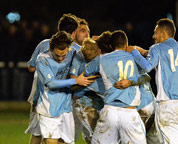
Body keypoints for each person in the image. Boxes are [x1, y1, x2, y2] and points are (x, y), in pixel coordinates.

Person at [25, 13, 80, 144]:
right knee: (53, 137)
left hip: (39, 96)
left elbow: (31, 68)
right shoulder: (77, 50)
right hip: (54, 99)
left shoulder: (44, 43)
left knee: (37, 134)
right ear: (74, 32)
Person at [84, 30, 147, 144]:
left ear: (111, 46)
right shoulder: (133, 58)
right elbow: (146, 77)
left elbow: (86, 72)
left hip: (110, 112)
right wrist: (130, 82)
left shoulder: (101, 59)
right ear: (126, 45)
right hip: (129, 112)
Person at [35, 31, 97, 144]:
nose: (60, 59)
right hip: (48, 108)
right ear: (51, 48)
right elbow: (51, 83)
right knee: (50, 141)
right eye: (57, 55)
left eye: (63, 55)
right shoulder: (42, 59)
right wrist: (75, 81)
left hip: (66, 108)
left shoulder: (73, 53)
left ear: (68, 48)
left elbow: (91, 49)